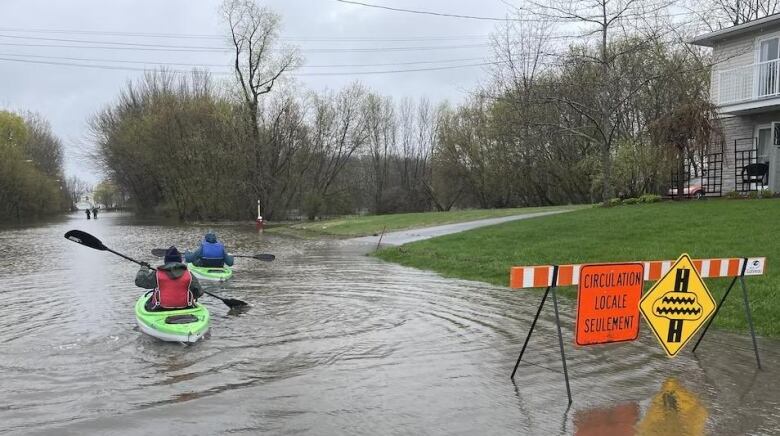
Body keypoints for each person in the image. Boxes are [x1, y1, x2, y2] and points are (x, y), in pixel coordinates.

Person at [135, 246, 203, 311]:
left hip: (160, 308)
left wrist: (144, 268)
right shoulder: (189, 274)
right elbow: (199, 292)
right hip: (185, 307)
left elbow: (139, 281)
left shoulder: (157, 273)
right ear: (180, 260)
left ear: (166, 260)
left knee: (149, 302)